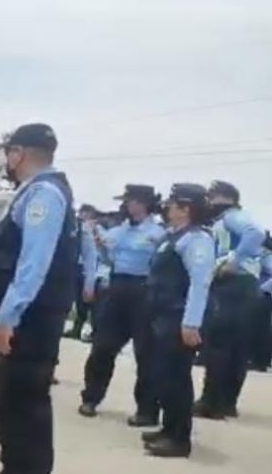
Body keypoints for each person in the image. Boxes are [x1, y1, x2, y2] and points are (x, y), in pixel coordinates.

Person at [0, 123, 76, 474]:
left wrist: (8, 316)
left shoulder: (44, 195)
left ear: (18, 154)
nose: (7, 160)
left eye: (9, 153)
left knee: (21, 403)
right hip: (34, 316)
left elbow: (33, 262)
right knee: (15, 402)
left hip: (30, 319)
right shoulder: (43, 191)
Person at [78, 184, 165, 426]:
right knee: (102, 347)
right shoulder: (118, 230)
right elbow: (108, 258)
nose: (129, 205)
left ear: (145, 204)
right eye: (127, 201)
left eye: (134, 201)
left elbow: (160, 265)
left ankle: (147, 410)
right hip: (116, 287)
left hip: (144, 289)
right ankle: (91, 398)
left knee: (146, 353)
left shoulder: (158, 233)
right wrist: (100, 245)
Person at [140, 183, 215, 458]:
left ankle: (179, 439)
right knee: (162, 374)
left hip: (179, 317)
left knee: (176, 378)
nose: (167, 208)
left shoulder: (197, 241)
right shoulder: (173, 236)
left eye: (173, 204)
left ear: (186, 209)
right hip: (163, 316)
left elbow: (200, 282)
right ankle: (168, 428)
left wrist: (191, 322)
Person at [194, 180, 264, 419]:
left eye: (211, 197)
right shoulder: (227, 220)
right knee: (236, 348)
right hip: (245, 287)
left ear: (224, 198)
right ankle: (226, 403)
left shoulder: (231, 218)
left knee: (219, 345)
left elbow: (256, 233)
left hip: (232, 284)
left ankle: (210, 402)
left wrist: (234, 260)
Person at [67, 204, 102, 340]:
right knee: (78, 300)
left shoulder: (95, 228)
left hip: (92, 269)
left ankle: (93, 331)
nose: (82, 215)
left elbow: (93, 253)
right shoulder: (75, 226)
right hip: (76, 266)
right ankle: (77, 328)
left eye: (86, 213)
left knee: (89, 303)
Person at [252, 237, 272, 372]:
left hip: (265, 296)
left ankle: (260, 361)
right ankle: (258, 360)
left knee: (261, 329)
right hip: (261, 296)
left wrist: (262, 289)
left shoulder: (267, 257)